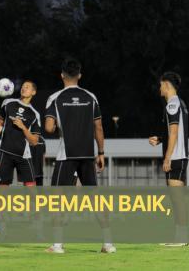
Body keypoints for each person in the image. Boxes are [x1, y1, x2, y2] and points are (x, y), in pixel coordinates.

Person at [44, 58, 115, 253]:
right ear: (80, 75)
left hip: (66, 155)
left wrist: (60, 124)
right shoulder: (91, 97)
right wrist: (100, 153)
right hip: (87, 155)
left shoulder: (55, 98)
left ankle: (57, 245)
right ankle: (108, 243)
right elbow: (98, 126)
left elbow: (49, 127)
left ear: (61, 75)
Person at [149, 71, 189, 246]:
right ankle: (180, 237)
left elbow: (174, 132)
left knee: (177, 198)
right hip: (179, 156)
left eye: (160, 85)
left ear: (166, 85)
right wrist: (159, 140)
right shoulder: (180, 103)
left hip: (176, 157)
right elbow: (173, 133)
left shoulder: (172, 105)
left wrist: (167, 158)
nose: (159, 88)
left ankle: (182, 238)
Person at [0, 80, 41, 186]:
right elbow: (0, 121)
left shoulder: (34, 114)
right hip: (5, 152)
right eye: (23, 86)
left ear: (33, 92)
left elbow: (34, 142)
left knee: (31, 190)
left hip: (23, 155)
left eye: (27, 87)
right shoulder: (8, 103)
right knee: (2, 189)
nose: (23, 88)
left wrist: (23, 127)